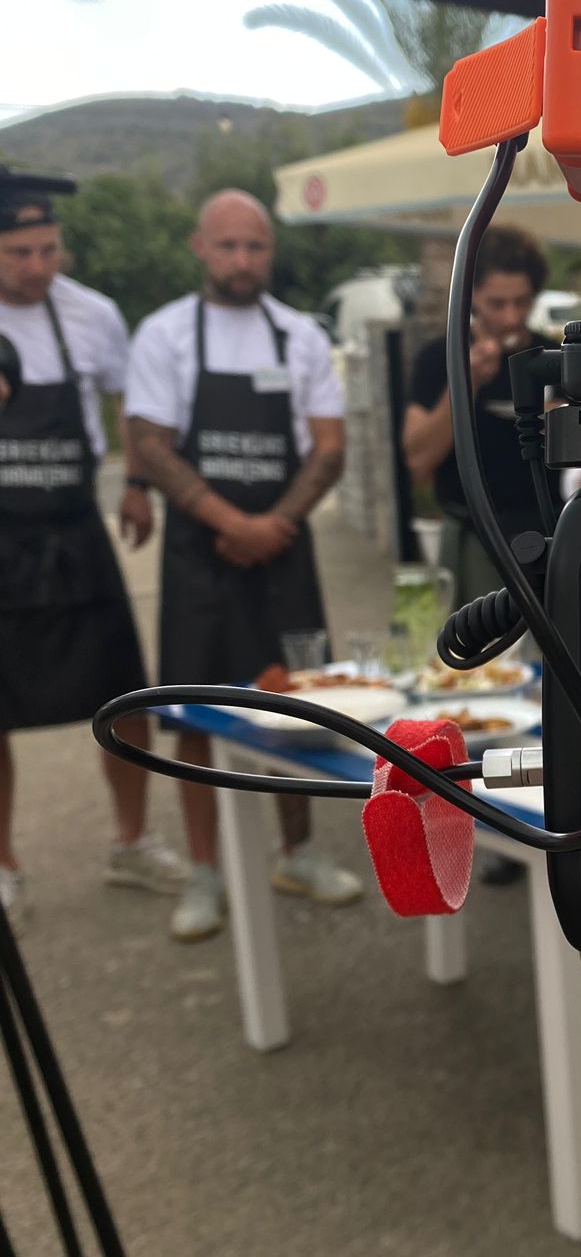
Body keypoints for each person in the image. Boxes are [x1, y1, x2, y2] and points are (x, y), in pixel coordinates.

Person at [126, 190, 361, 941]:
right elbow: (150, 443)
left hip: (283, 552)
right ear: (200, 247)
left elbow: (329, 447)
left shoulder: (298, 335)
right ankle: (206, 870)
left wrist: (275, 524)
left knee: (296, 703)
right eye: (227, 246)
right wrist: (234, 524)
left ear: (271, 252)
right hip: (200, 555)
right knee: (194, 715)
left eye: (254, 246)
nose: (241, 260)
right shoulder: (164, 334)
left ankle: (299, 852)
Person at [0, 167, 187, 924]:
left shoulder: (92, 314)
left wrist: (136, 484)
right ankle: (3, 867)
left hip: (75, 526)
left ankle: (133, 842)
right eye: (19, 254)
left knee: (120, 689)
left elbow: (126, 402)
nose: (38, 267)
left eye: (49, 250)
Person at [401, 227, 551, 604]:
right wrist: (467, 382)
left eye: (522, 302)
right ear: (471, 299)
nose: (511, 316)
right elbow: (418, 459)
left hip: (550, 534)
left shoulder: (554, 359)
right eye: (497, 304)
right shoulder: (440, 358)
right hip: (475, 536)